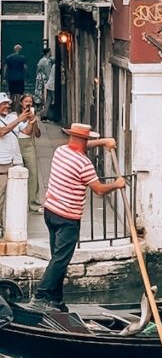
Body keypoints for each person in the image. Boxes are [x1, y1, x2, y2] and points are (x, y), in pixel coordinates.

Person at [28, 122, 125, 313]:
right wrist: (117, 183)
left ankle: (55, 300)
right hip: (67, 218)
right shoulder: (84, 164)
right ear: (85, 140)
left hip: (50, 212)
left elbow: (81, 146)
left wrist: (103, 142)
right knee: (60, 260)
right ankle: (39, 297)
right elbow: (98, 190)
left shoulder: (61, 151)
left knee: (58, 258)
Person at [0, 93, 25, 237]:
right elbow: (2, 132)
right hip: (2, 163)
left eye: (8, 103)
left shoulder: (12, 117)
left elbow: (25, 131)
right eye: (3, 104)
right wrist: (19, 119)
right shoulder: (14, 119)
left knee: (16, 196)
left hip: (15, 161)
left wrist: (32, 121)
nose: (7, 106)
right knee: (1, 198)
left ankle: (14, 228)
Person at [14, 94, 42, 211]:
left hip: (29, 145)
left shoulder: (33, 116)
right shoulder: (15, 116)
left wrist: (33, 121)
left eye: (30, 101)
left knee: (33, 174)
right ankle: (17, 201)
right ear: (21, 103)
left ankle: (33, 203)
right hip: (17, 145)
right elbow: (26, 131)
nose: (28, 103)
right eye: (26, 101)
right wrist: (30, 122)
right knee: (16, 173)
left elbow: (37, 134)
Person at [34, 47, 53, 113]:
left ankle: (40, 106)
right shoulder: (45, 61)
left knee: (40, 91)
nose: (51, 53)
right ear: (47, 53)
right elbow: (47, 71)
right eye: (50, 52)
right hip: (43, 78)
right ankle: (40, 106)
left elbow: (38, 69)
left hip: (41, 77)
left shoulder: (43, 60)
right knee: (41, 92)